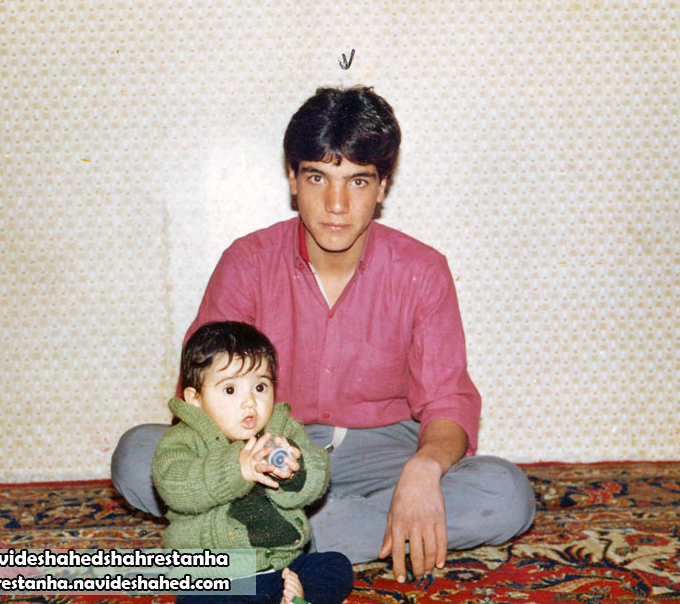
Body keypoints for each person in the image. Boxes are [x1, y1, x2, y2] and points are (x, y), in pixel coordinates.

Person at [113, 85, 536, 584]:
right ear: (293, 179)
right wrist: (244, 461)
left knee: (506, 495)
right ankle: (327, 533)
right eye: (318, 177)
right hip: (262, 448)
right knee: (137, 456)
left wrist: (422, 471)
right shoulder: (247, 263)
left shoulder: (422, 271)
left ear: (382, 187)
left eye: (357, 181)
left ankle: (261, 539)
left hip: (386, 454)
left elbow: (447, 402)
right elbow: (202, 395)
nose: (337, 205)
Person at [153, 321, 354, 604]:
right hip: (220, 574)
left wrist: (295, 472)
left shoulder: (282, 429)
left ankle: (300, 598)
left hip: (282, 566)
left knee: (335, 566)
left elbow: (318, 475)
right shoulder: (182, 439)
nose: (249, 402)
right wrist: (238, 468)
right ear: (195, 399)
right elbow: (175, 486)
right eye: (230, 390)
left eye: (260, 387)